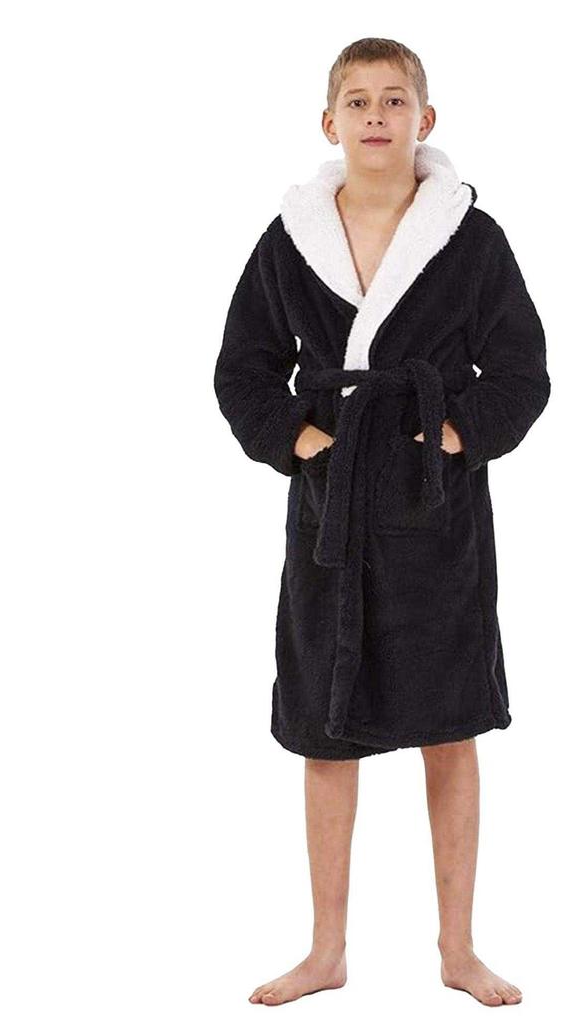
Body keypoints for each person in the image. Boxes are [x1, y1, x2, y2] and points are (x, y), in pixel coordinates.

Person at [214, 37, 549, 1007]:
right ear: (329, 121)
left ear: (423, 119)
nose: (375, 115)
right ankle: (326, 951)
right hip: (332, 506)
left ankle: (458, 949)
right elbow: (242, 368)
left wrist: (453, 436)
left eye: (394, 99)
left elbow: (521, 368)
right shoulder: (290, 240)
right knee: (327, 728)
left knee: (451, 725)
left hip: (437, 511)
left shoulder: (470, 239)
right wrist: (303, 442)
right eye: (357, 101)